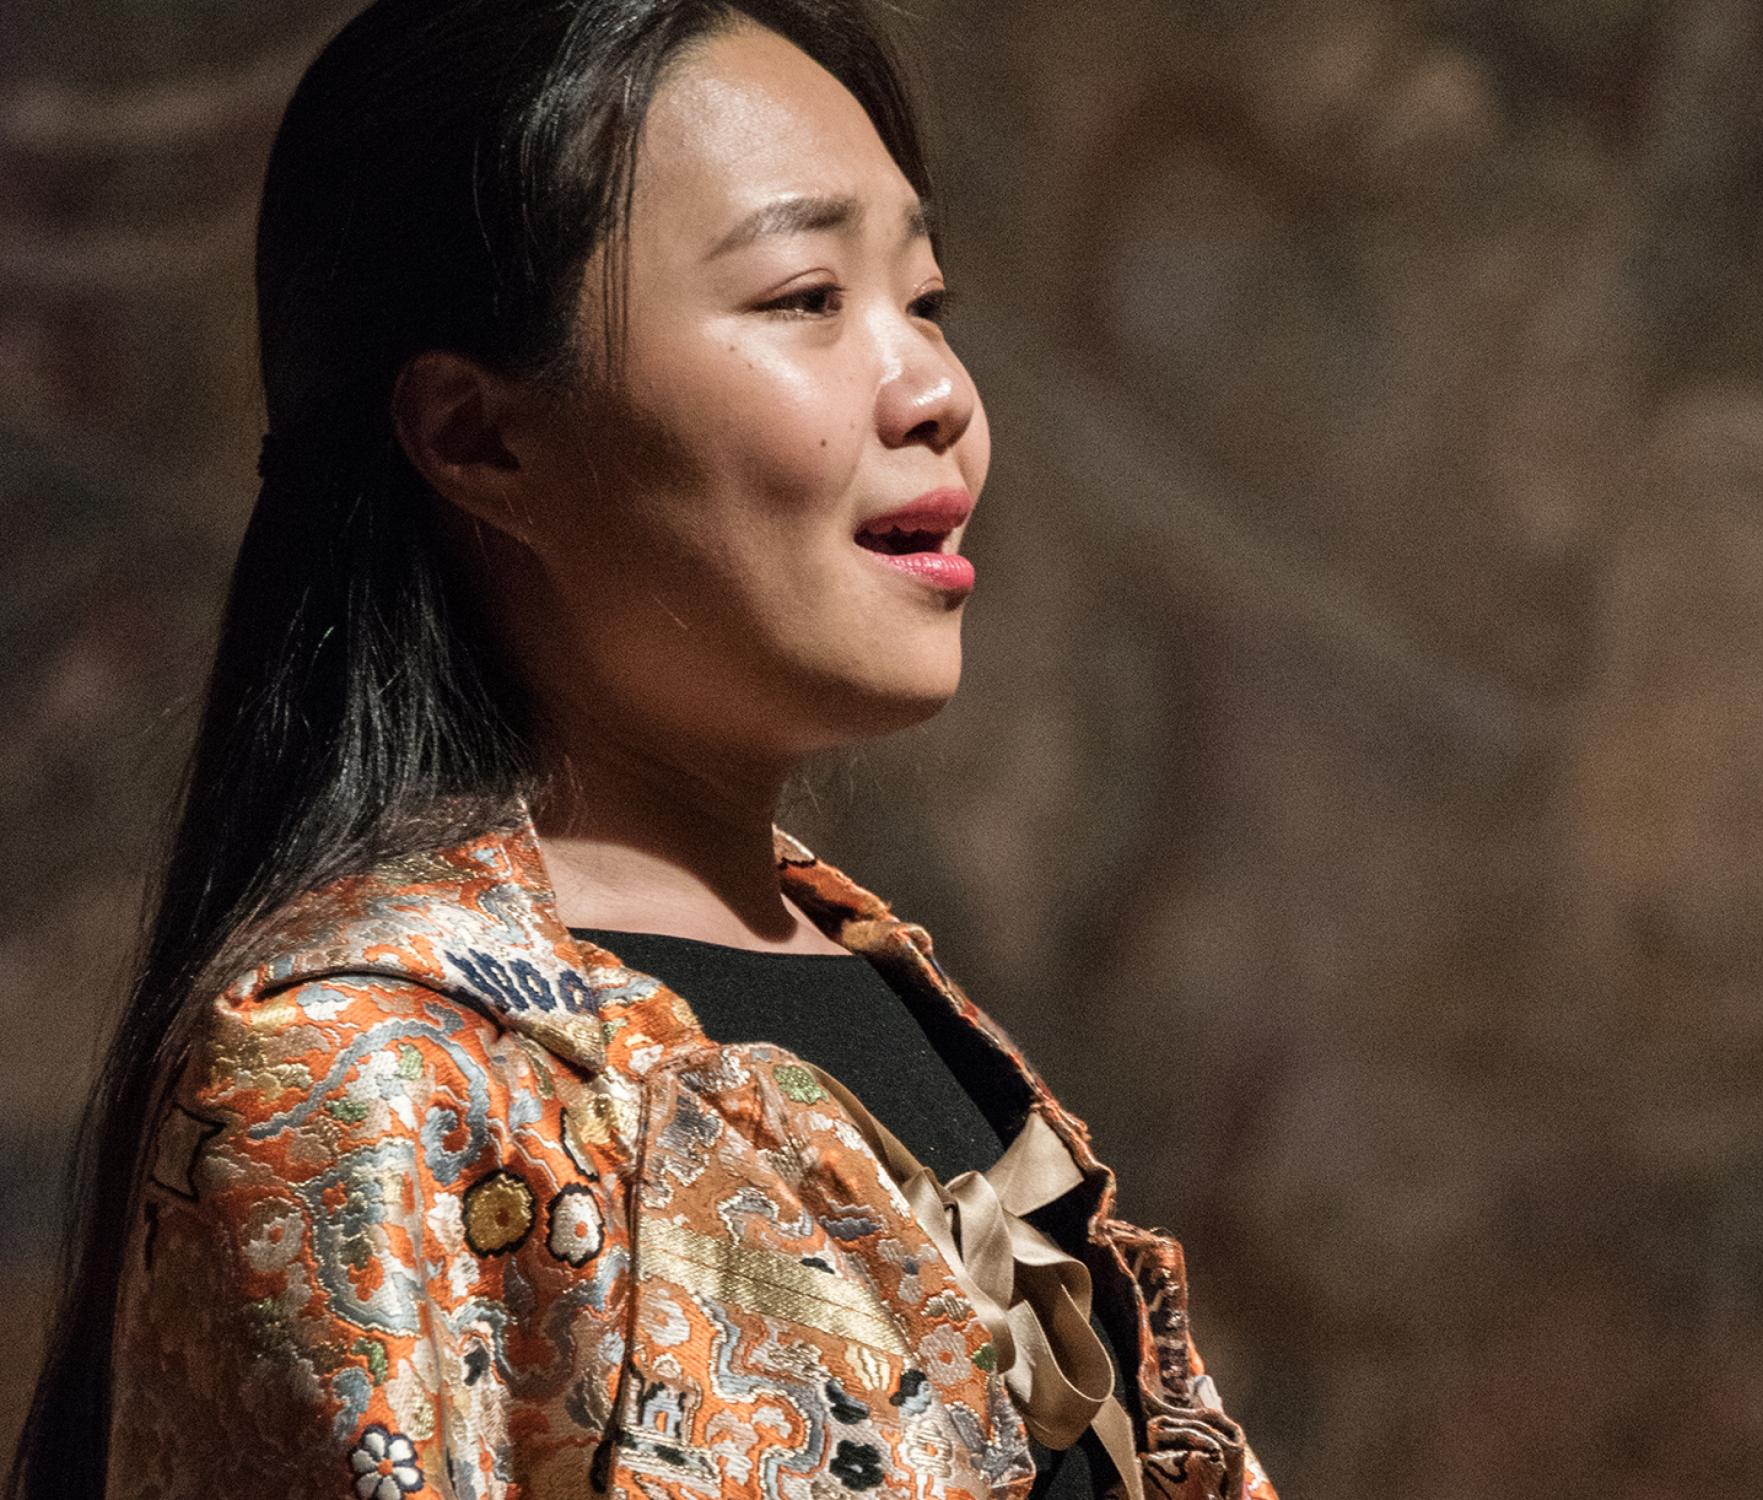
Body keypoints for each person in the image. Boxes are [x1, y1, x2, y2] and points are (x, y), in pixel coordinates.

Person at [6, 2, 1277, 1497]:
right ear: (479, 438)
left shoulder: (885, 991)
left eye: (924, 298)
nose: (939, 394)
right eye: (806, 296)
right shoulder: (367, 1077)